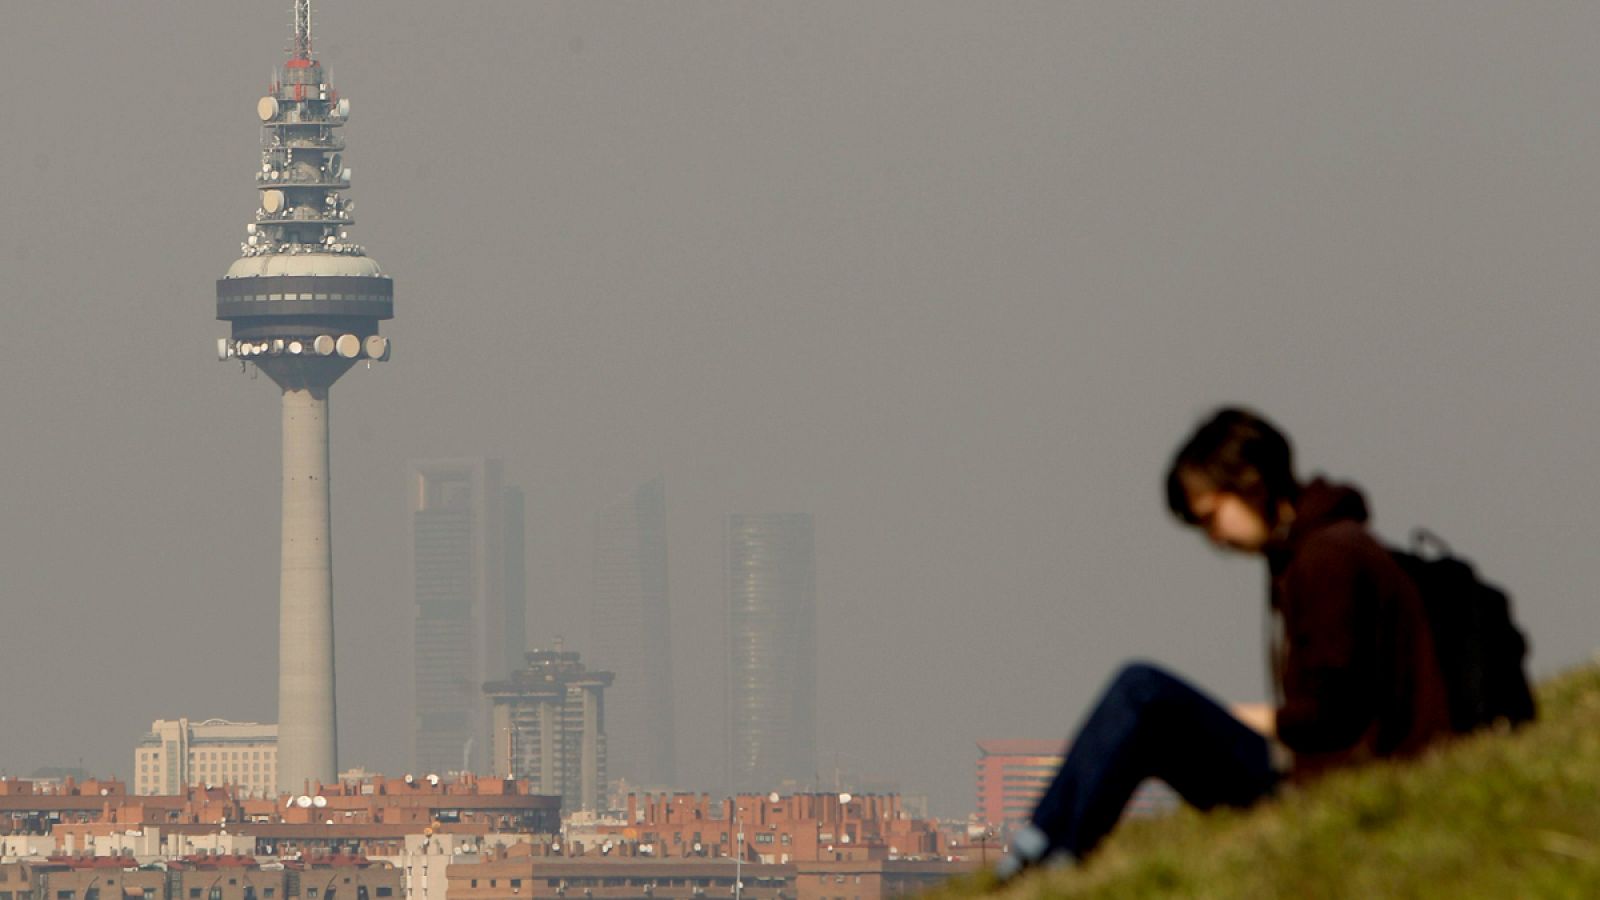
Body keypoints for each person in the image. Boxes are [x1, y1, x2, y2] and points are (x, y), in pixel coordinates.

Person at [997, 407, 1451, 878]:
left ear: (1252, 482)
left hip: (1329, 780)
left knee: (1142, 690)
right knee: (1145, 707)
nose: (1214, 538)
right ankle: (1047, 850)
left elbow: (1328, 716)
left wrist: (1243, 719)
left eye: (1212, 517)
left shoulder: (1326, 559)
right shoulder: (1314, 550)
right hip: (1321, 769)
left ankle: (1042, 854)